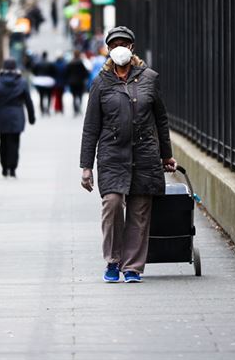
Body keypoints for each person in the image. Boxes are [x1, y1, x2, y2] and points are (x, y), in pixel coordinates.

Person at [79, 26, 177, 283]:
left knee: (139, 211)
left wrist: (166, 156)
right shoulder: (101, 82)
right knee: (112, 204)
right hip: (112, 154)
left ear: (131, 47)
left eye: (124, 43)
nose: (119, 47)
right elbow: (91, 127)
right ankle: (112, 261)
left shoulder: (149, 78)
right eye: (114, 44)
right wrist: (86, 166)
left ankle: (132, 266)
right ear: (108, 50)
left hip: (144, 154)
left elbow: (161, 120)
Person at [0, 59, 36, 178]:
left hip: (2, 115)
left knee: (3, 141)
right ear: (15, 69)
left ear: (3, 69)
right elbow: (28, 102)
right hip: (17, 115)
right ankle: (12, 168)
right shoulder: (22, 82)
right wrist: (31, 117)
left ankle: (4, 167)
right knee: (15, 142)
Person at [65, 50, 90, 116]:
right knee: (80, 95)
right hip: (80, 81)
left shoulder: (70, 63)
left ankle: (75, 110)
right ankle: (79, 108)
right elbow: (85, 72)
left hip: (72, 82)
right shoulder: (80, 62)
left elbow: (67, 72)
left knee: (74, 96)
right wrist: (85, 78)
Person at [31, 52, 56, 116]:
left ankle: (42, 110)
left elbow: (34, 71)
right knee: (49, 96)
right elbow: (54, 72)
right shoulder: (50, 63)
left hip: (40, 81)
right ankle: (47, 109)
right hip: (48, 81)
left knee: (41, 97)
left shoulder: (37, 63)